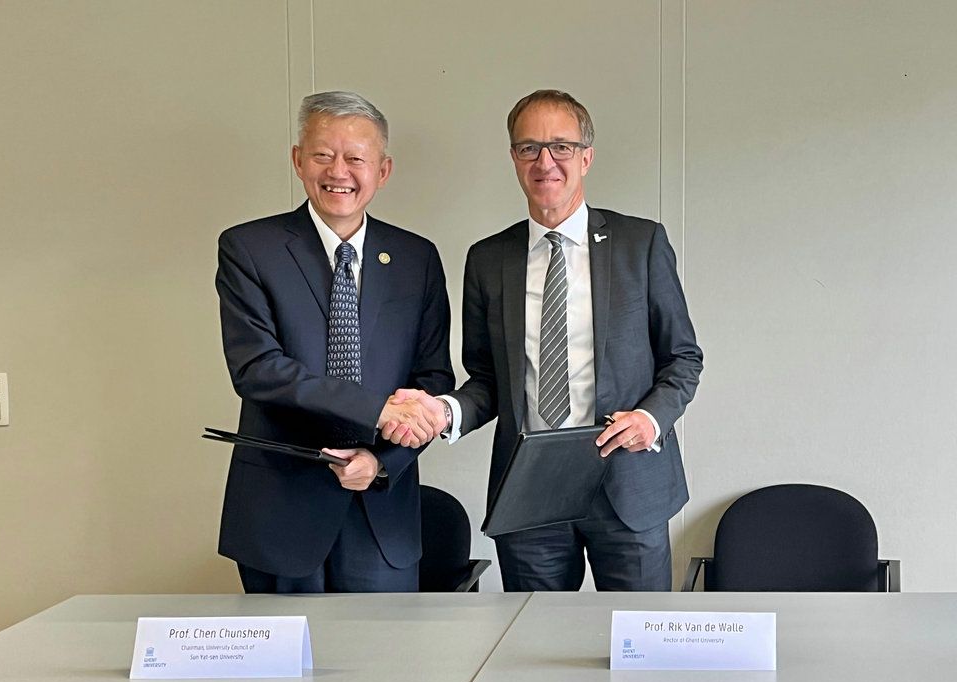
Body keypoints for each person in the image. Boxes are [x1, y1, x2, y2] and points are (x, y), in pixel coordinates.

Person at [384, 90, 702, 592]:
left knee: (638, 634)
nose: (545, 161)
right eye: (529, 147)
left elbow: (682, 358)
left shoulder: (640, 244)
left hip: (629, 484)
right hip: (530, 492)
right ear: (514, 157)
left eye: (561, 146)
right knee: (535, 635)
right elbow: (487, 379)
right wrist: (445, 412)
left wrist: (651, 418)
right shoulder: (488, 258)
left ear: (586, 157)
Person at [216, 91, 454, 593]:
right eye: (323, 155)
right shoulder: (249, 248)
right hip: (280, 509)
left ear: (383, 171)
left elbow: (431, 381)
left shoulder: (416, 259)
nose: (338, 171)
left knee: (381, 645)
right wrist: (377, 410)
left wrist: (382, 462)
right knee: (285, 647)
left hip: (381, 510)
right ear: (298, 160)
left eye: (356, 158)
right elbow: (257, 368)